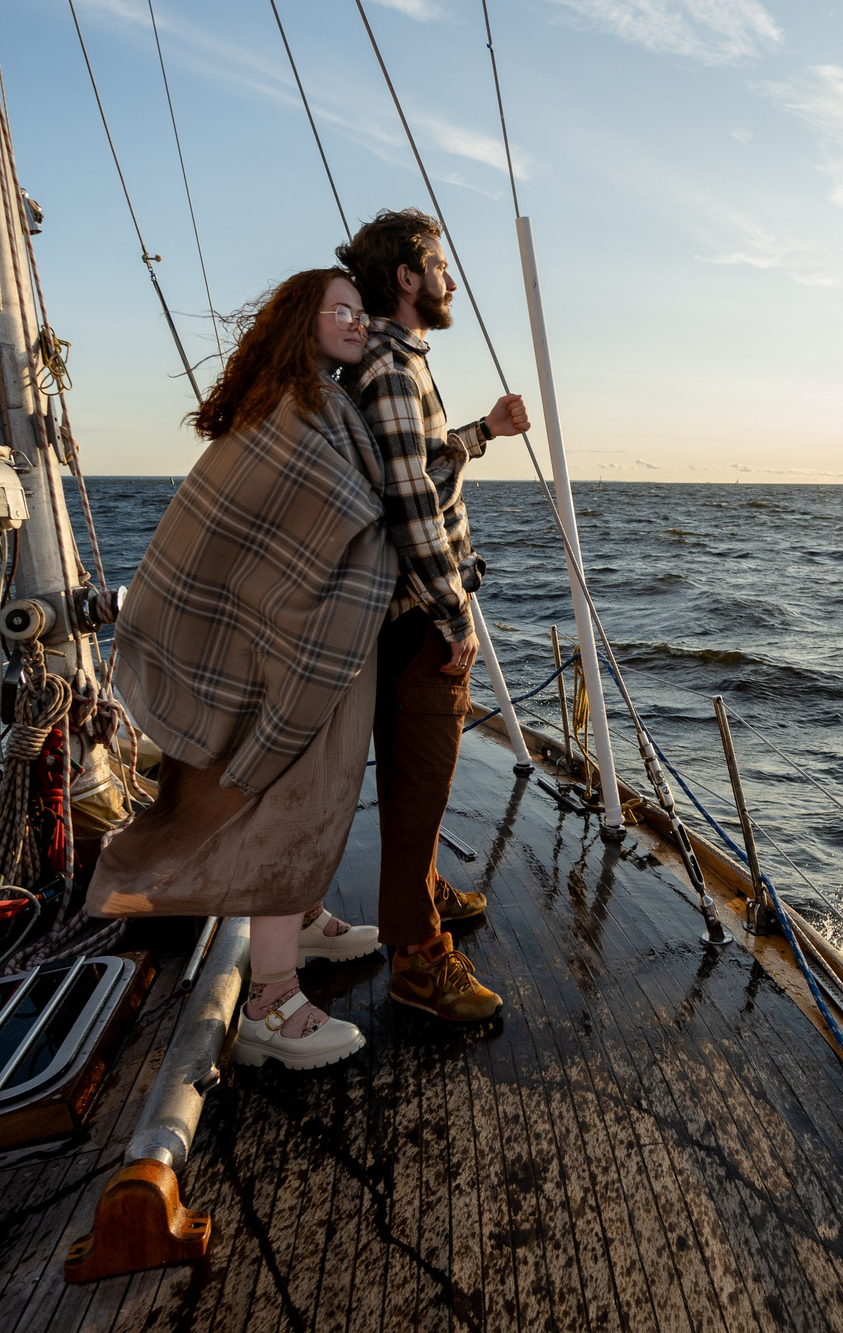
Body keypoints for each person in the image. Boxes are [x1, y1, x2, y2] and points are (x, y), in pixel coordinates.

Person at [85, 269, 397, 1071]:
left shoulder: (302, 399)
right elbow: (331, 522)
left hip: (303, 639)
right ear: (302, 321)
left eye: (361, 314)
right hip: (295, 650)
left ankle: (301, 918)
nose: (356, 324)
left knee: (312, 796)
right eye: (340, 311)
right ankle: (270, 1004)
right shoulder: (300, 407)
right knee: (291, 804)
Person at [336, 209, 529, 1023]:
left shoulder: (395, 362)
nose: (451, 279)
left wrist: (483, 432)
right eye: (439, 266)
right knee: (419, 780)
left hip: (413, 607)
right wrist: (455, 616)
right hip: (418, 612)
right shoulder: (390, 366)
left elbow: (421, 462)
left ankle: (421, 888)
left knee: (423, 777)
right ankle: (417, 962)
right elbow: (409, 501)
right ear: (407, 278)